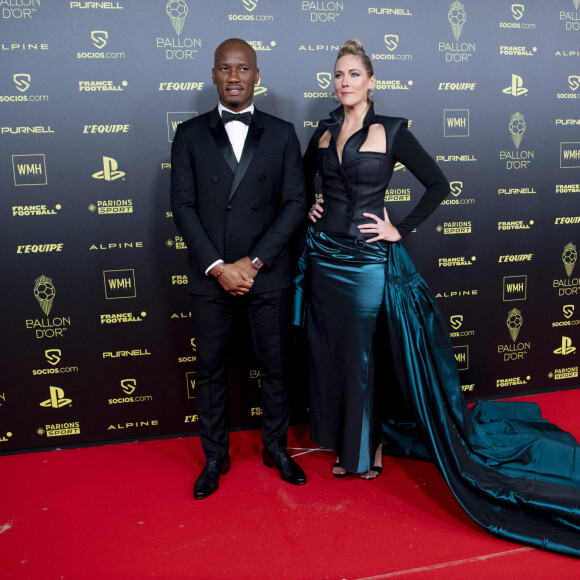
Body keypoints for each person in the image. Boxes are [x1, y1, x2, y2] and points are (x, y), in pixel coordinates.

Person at [294, 39, 580, 557]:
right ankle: (340, 437)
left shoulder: (394, 131)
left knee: (361, 355)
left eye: (354, 74)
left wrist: (399, 229)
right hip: (323, 259)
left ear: (371, 80)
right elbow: (301, 183)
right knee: (328, 350)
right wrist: (310, 208)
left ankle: (366, 449)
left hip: (365, 262)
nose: (344, 83)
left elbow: (438, 185)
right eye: (337, 75)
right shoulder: (322, 131)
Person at [171, 38, 307, 500]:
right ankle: (214, 457)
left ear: (256, 75)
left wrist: (252, 262)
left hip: (265, 273)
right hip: (211, 276)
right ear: (213, 75)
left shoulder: (283, 131)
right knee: (209, 370)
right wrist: (218, 266)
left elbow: (294, 204)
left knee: (275, 366)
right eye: (225, 68)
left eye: (243, 68)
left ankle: (276, 448)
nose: (234, 76)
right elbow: (182, 206)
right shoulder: (188, 134)